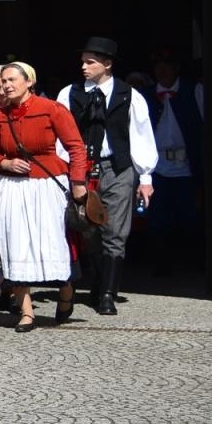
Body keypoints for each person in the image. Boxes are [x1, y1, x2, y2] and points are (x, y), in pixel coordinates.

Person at [55, 37, 157, 315]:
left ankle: (108, 294)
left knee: (115, 232)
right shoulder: (69, 93)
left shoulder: (129, 95)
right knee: (88, 229)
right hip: (82, 168)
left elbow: (141, 135)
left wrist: (145, 177)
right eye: (83, 62)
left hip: (118, 167)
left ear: (107, 64)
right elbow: (60, 136)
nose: (84, 67)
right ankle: (99, 282)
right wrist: (66, 171)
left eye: (90, 62)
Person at [0, 62, 89, 331]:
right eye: (3, 81)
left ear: (29, 82)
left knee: (52, 242)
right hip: (11, 186)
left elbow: (76, 147)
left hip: (46, 185)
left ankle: (66, 291)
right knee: (14, 243)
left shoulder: (52, 109)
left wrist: (78, 182)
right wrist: (5, 163)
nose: (6, 85)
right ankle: (27, 312)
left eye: (12, 80)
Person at [146, 48, 204, 277]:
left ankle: (193, 261)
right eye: (158, 65)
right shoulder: (145, 94)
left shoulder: (194, 90)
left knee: (188, 215)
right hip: (157, 166)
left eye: (168, 65)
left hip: (186, 165)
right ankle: (162, 262)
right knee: (158, 216)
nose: (163, 70)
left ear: (177, 68)